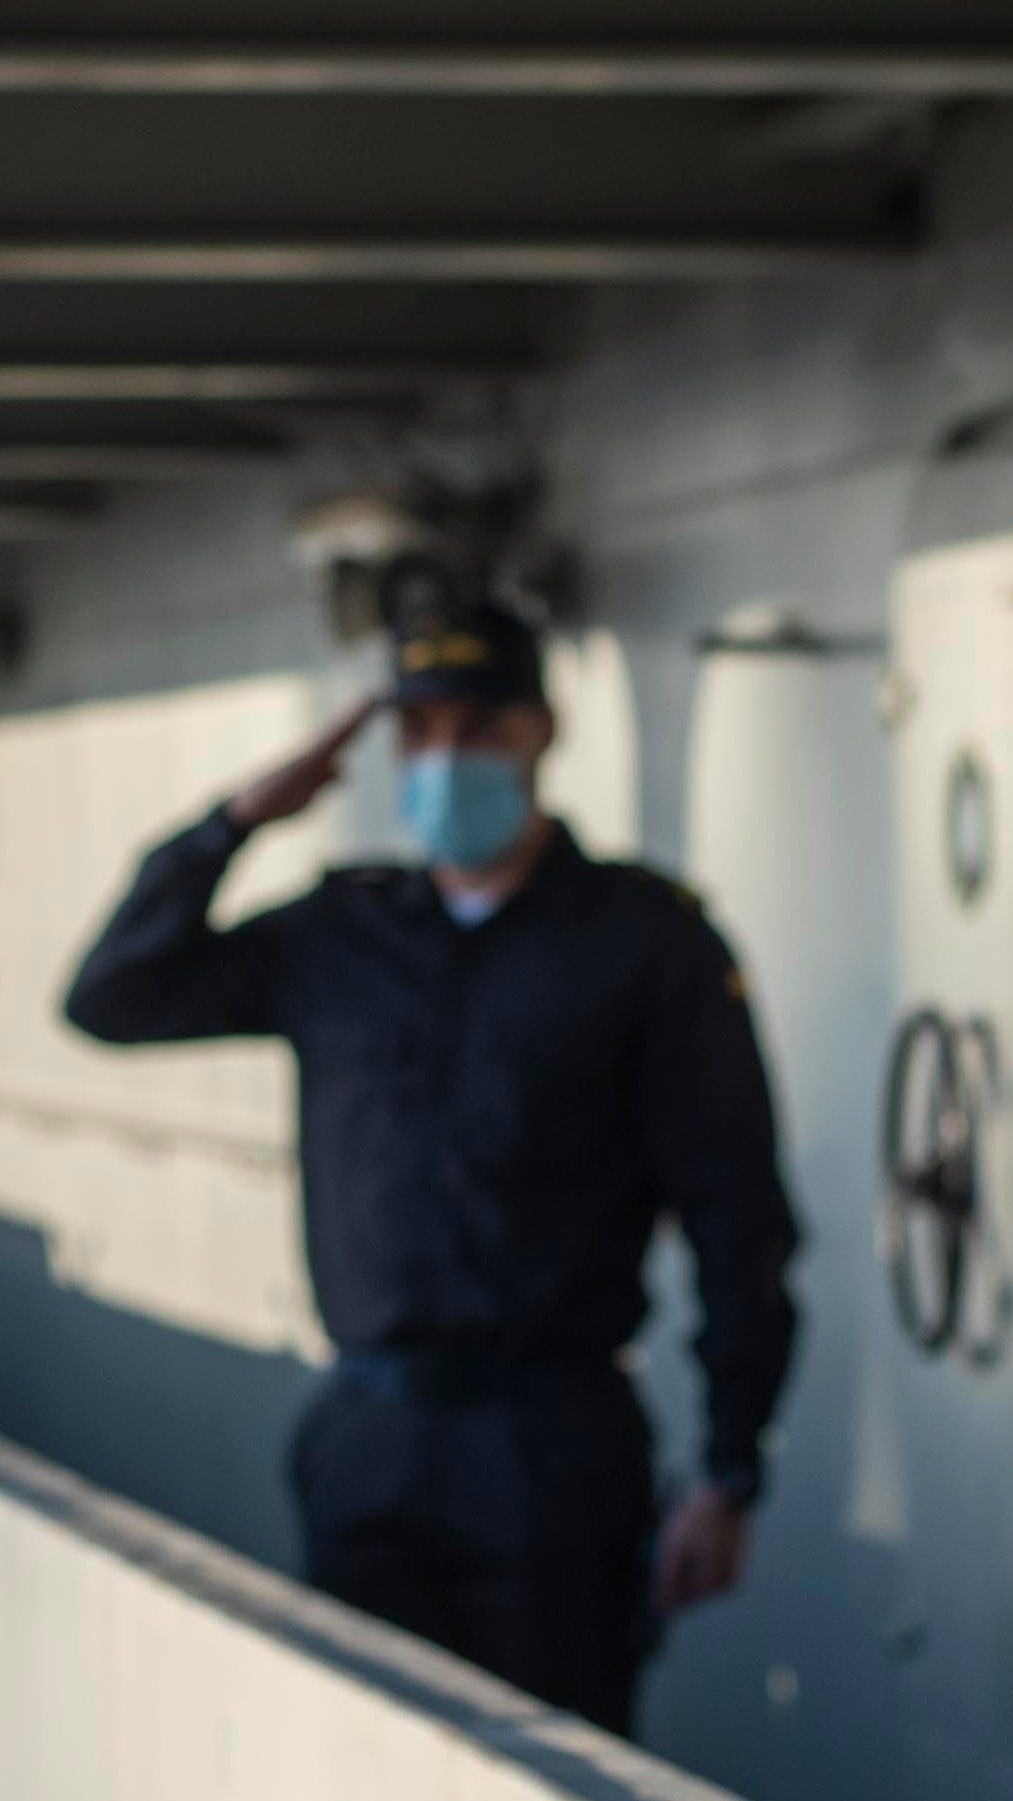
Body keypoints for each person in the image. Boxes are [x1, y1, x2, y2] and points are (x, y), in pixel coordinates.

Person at [64, 595, 794, 1734]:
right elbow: (110, 997)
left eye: (477, 728)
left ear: (538, 732)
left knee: (564, 1786)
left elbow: (734, 1213)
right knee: (362, 1765)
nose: (446, 757)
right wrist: (237, 818)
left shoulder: (645, 939)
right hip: (367, 1435)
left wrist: (729, 1464)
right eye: (419, 732)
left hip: (550, 1446)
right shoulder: (339, 933)